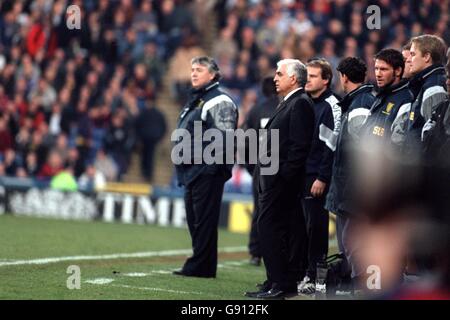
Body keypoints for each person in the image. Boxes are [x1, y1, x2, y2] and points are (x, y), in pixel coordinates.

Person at [246, 59, 315, 299]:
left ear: (293, 78)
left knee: (270, 229)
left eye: (279, 73)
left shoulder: (300, 104)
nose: (274, 78)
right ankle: (275, 280)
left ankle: (281, 284)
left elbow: (298, 148)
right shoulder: (288, 103)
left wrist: (282, 178)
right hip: (273, 179)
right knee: (273, 230)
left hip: (282, 183)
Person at [172, 56, 238, 278]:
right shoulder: (197, 99)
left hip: (206, 169)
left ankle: (200, 265)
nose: (193, 73)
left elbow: (225, 139)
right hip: (192, 169)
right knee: (195, 220)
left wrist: (211, 168)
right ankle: (204, 265)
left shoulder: (219, 101)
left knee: (203, 220)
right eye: (192, 69)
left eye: (199, 69)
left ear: (212, 75)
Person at [325, 57, 375, 293]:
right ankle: (353, 285)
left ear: (343, 77)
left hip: (352, 185)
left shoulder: (360, 103)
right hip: (349, 183)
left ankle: (358, 286)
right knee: (348, 241)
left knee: (351, 241)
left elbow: (360, 149)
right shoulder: (358, 100)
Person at [299, 58, 341, 294]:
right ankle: (304, 272)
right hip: (302, 174)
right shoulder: (306, 101)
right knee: (302, 228)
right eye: (306, 75)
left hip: (315, 176)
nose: (308, 79)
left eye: (313, 76)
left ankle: (316, 278)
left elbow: (331, 145)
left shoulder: (331, 105)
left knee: (316, 228)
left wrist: (322, 177)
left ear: (326, 80)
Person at [241, 76, 279, 267]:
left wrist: (252, 169)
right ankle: (279, 253)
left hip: (261, 168)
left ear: (263, 92)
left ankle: (256, 253)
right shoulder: (291, 107)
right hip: (283, 169)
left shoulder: (256, 111)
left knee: (259, 211)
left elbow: (245, 143)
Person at [404, 34, 447, 155]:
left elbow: (435, 136)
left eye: (412, 54)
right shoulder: (425, 84)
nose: (408, 59)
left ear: (427, 56)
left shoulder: (433, 88)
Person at [362, 49, 414, 149]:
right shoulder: (381, 95)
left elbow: (398, 144)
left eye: (383, 69)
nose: (378, 74)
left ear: (398, 71)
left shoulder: (405, 100)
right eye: (376, 69)